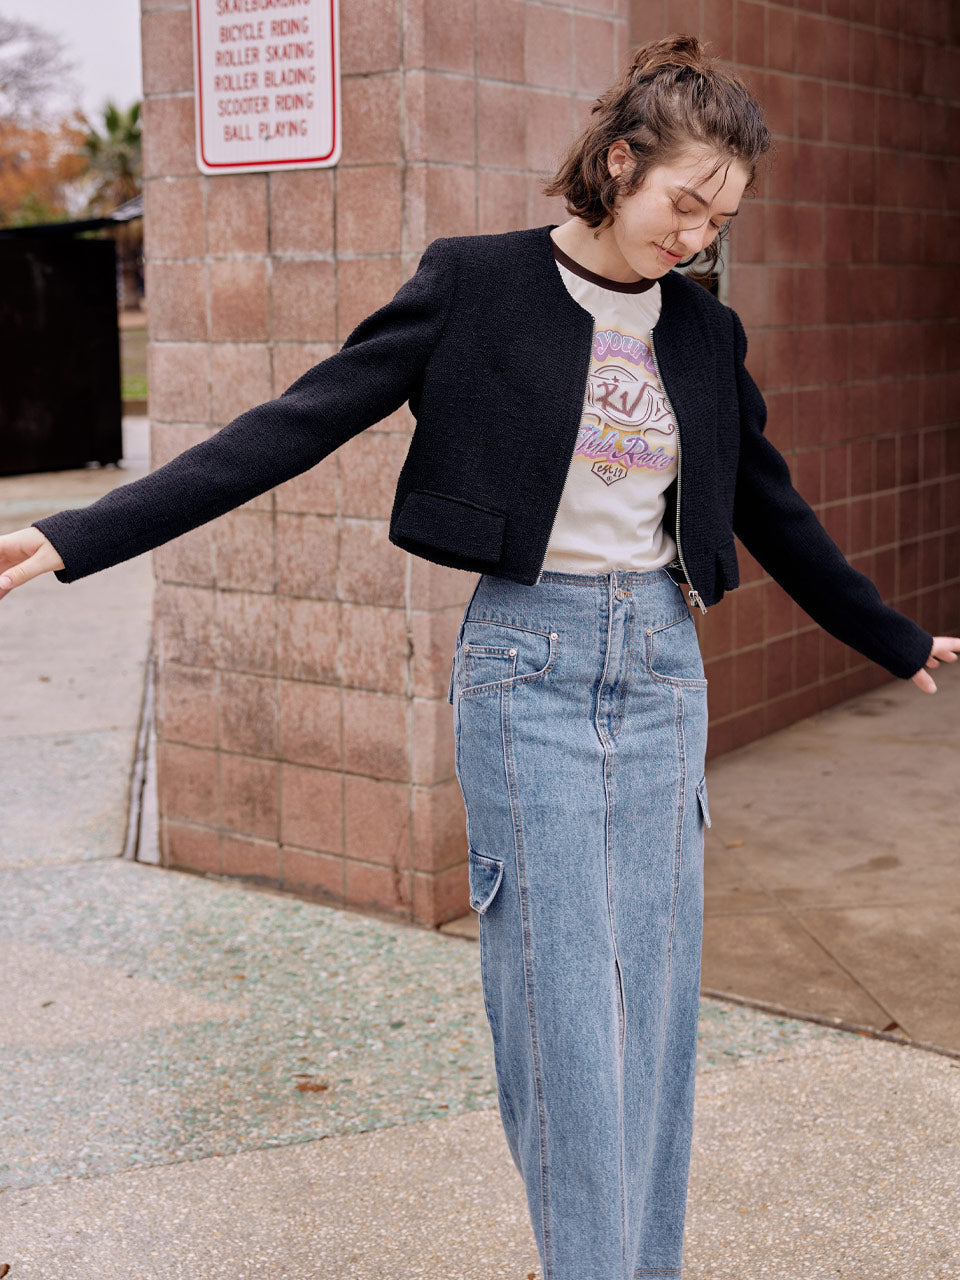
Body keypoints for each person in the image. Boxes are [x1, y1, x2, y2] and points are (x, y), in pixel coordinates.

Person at [1, 33, 956, 1280]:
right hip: (530, 667)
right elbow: (295, 423)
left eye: (721, 219)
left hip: (664, 664)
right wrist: (81, 535)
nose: (697, 237)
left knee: (655, 1009)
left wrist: (884, 633)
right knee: (562, 1010)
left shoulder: (703, 336)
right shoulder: (477, 284)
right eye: (684, 203)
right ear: (620, 164)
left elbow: (768, 504)